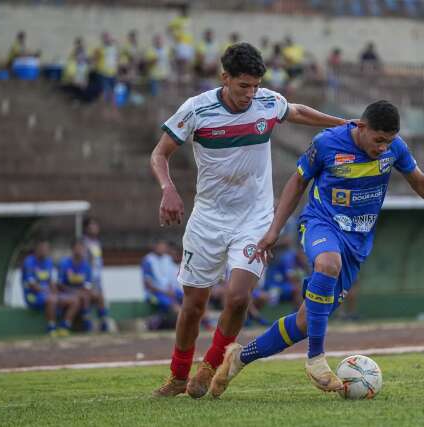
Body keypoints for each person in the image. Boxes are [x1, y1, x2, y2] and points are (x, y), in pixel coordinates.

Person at [209, 100, 424, 397]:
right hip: (321, 223)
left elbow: (418, 180)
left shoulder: (395, 148)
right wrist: (274, 229)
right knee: (327, 264)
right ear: (361, 127)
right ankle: (316, 360)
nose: (382, 147)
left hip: (357, 241)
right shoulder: (327, 143)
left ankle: (239, 357)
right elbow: (297, 182)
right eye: (378, 140)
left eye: (388, 141)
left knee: (305, 321)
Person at [150, 42, 349, 399]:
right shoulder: (196, 110)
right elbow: (159, 153)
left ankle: (211, 366)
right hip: (208, 218)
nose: (251, 93)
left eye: (256, 85)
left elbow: (298, 111)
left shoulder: (267, 102)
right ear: (224, 78)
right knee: (194, 305)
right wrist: (168, 189)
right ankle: (178, 375)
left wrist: (345, 125)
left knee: (239, 297)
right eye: (244, 85)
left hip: (255, 218)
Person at [21, 240, 79, 336]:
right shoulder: (29, 262)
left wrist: (55, 291)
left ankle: (64, 327)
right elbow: (32, 285)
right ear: (36, 249)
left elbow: (51, 281)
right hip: (33, 296)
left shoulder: (48, 262)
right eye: (42, 248)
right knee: (52, 299)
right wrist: (49, 292)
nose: (45, 251)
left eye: (47, 249)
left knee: (74, 300)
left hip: (48, 294)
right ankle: (51, 328)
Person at [58, 239, 110, 332]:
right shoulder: (65, 263)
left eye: (81, 248)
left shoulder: (86, 265)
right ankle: (83, 322)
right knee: (83, 297)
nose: (79, 250)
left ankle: (103, 322)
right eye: (77, 248)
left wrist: (85, 290)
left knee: (99, 295)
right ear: (72, 249)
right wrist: (74, 291)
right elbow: (60, 284)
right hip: (68, 292)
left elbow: (88, 283)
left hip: (83, 292)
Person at [142, 240, 183, 323]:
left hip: (169, 291)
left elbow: (170, 279)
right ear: (155, 247)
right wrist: (165, 292)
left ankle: (205, 323)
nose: (163, 249)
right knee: (174, 307)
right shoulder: (148, 260)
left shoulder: (167, 259)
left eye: (164, 247)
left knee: (189, 298)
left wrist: (171, 289)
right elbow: (148, 284)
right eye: (160, 247)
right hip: (154, 293)